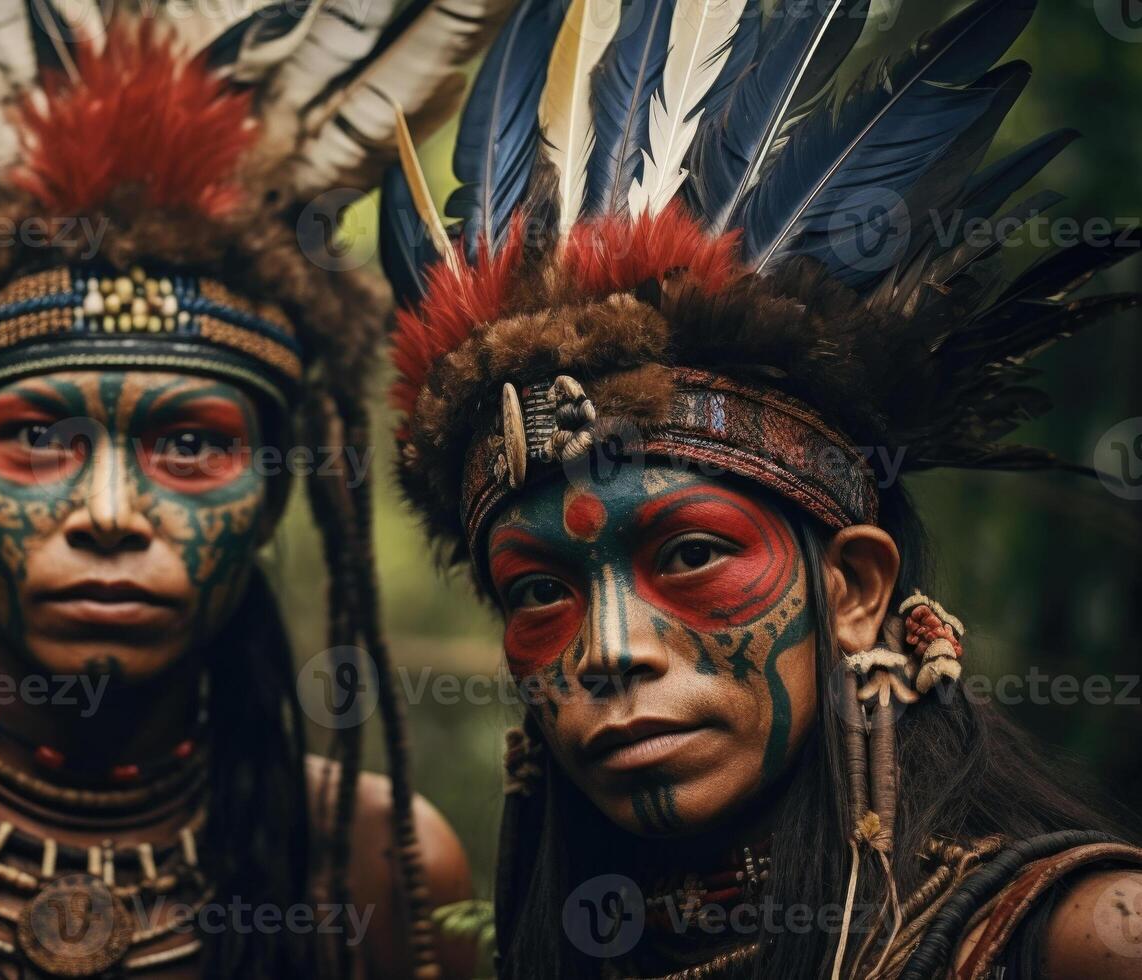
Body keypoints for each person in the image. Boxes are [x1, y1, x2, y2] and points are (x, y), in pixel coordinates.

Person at [0, 0, 510, 975]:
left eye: (190, 443)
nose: (108, 513)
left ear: (273, 499)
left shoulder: (372, 865)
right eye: (37, 437)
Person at [382, 0, 1142, 976]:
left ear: (856, 588)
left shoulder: (1086, 939)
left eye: (691, 553)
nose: (610, 650)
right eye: (539, 591)